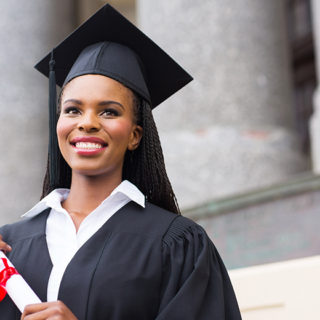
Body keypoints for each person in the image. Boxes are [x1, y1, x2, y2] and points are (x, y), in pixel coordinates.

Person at [0, 4, 242, 320]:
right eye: (72, 110)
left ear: (135, 135)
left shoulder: (178, 245)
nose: (86, 123)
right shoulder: (11, 245)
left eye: (109, 111)